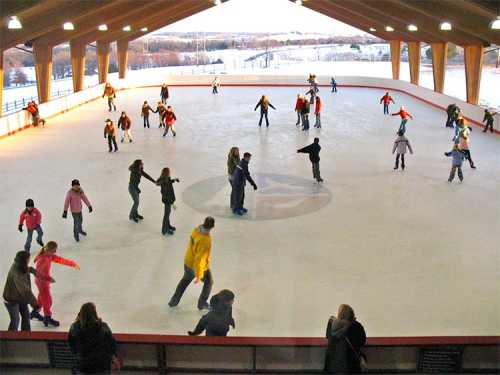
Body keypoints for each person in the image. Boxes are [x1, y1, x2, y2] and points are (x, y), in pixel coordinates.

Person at [168, 217, 215, 310]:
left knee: (185, 281)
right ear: (212, 226)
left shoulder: (196, 230)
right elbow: (199, 259)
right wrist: (199, 274)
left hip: (188, 261)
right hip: (196, 266)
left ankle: (173, 301)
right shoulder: (205, 240)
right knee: (209, 282)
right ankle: (202, 304)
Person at [33, 241, 80, 327]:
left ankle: (34, 312)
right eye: (54, 250)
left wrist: (72, 264)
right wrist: (48, 278)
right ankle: (47, 317)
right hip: (42, 282)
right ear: (48, 250)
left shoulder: (49, 256)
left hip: (43, 281)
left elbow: (60, 260)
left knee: (42, 297)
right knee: (48, 300)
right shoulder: (42, 259)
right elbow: (38, 274)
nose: (55, 252)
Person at [68, 302, 118, 375]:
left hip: (83, 366)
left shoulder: (74, 328)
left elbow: (72, 346)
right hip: (102, 366)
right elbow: (111, 345)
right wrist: (113, 358)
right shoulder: (103, 327)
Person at [3, 251, 41, 331]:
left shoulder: (19, 265)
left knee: (26, 318)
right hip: (11, 299)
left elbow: (26, 268)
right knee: (15, 320)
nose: (29, 260)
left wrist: (33, 271)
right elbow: (25, 291)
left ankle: (27, 337)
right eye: (28, 259)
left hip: (20, 297)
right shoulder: (17, 272)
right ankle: (11, 339)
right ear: (24, 260)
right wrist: (35, 304)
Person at [325, 304, 367, 374]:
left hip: (332, 367)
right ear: (351, 314)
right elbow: (362, 342)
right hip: (351, 366)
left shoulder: (331, 325)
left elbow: (328, 338)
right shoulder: (357, 326)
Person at [156, 168, 179, 236]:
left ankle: (168, 226)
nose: (170, 173)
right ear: (167, 173)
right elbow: (167, 193)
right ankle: (164, 230)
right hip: (167, 200)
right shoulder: (165, 182)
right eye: (169, 172)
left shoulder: (165, 179)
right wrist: (172, 203)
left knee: (167, 214)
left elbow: (169, 181)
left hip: (168, 200)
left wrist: (174, 180)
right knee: (166, 215)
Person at [227, 147, 241, 211]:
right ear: (233, 152)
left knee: (235, 191)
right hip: (232, 177)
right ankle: (233, 206)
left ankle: (234, 205)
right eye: (236, 151)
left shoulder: (237, 157)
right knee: (235, 192)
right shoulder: (232, 158)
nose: (238, 152)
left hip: (235, 176)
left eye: (238, 151)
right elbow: (238, 165)